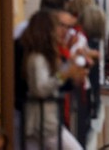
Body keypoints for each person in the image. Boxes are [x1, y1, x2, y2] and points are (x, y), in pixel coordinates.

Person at [21, 11, 87, 150]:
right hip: (44, 125)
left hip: (42, 123)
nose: (60, 31)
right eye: (57, 27)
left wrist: (70, 66)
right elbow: (40, 88)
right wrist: (64, 75)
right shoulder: (38, 58)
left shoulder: (40, 57)